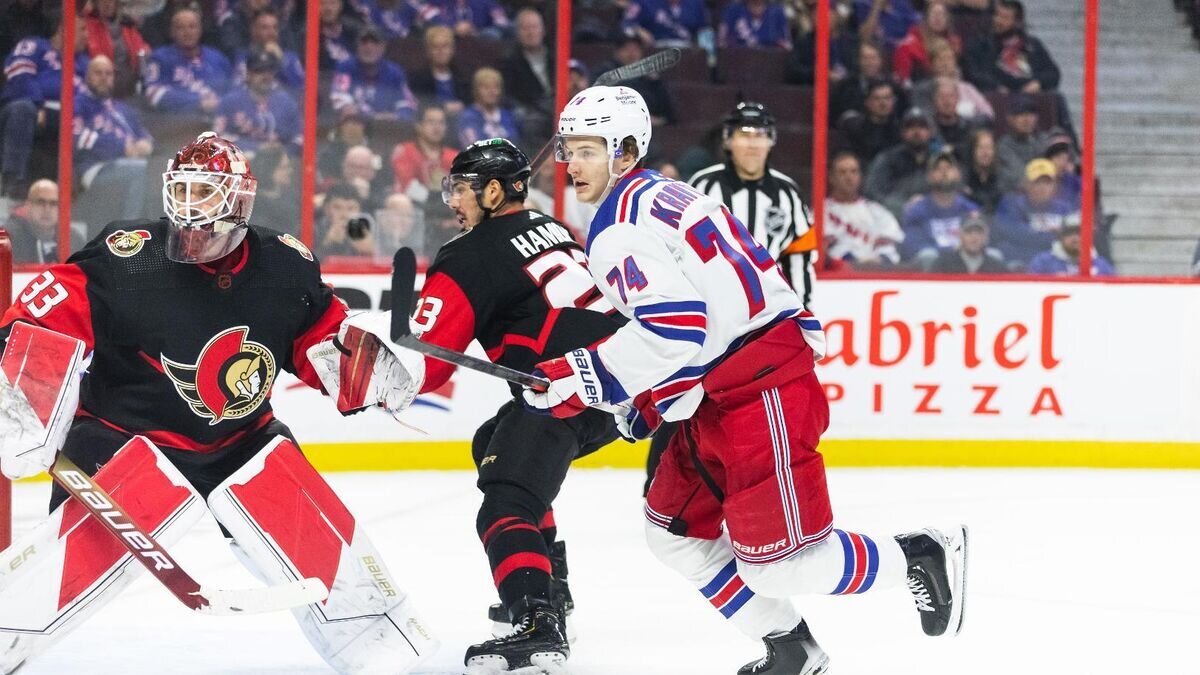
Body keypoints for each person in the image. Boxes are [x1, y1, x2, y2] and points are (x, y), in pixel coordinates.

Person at [528, 85, 968, 673]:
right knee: (676, 533)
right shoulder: (661, 194)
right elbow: (708, 314)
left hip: (763, 388)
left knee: (782, 561)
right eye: (568, 149)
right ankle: (790, 647)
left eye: (586, 150)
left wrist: (586, 375)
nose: (570, 164)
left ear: (626, 152)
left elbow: (678, 326)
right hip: (724, 386)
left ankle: (918, 555)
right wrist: (650, 398)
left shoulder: (618, 230)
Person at [0, 132, 437, 674]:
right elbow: (43, 310)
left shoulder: (284, 265)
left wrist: (367, 365)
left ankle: (382, 647)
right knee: (58, 571)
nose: (189, 209)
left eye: (204, 193)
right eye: (181, 191)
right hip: (123, 439)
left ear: (239, 200)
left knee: (319, 539)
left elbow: (321, 341)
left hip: (240, 443)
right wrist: (22, 374)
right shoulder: (129, 256)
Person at [389, 138, 624, 671]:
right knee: (491, 443)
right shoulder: (553, 227)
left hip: (567, 388)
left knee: (505, 503)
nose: (452, 199)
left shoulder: (466, 256)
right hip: (625, 382)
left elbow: (430, 366)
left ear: (495, 190)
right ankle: (553, 586)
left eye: (463, 188)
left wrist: (376, 379)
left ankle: (536, 620)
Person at [72, 55, 155, 232]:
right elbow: (77, 137)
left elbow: (145, 136)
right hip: (95, 167)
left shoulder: (122, 109)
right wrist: (121, 148)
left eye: (108, 74)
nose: (104, 77)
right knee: (140, 168)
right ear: (87, 76)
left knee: (155, 169)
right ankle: (130, 228)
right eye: (98, 73)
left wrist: (145, 144)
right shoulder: (78, 103)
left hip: (129, 164)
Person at [142, 6, 232, 115]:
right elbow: (153, 93)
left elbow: (234, 89)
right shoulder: (160, 58)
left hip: (219, 120)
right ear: (172, 32)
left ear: (200, 30)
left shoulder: (217, 58)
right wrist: (198, 102)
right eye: (181, 28)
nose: (187, 32)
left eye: (192, 27)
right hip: (180, 123)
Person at [212, 49, 303, 155]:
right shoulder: (230, 102)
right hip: (242, 162)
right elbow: (217, 138)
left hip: (280, 162)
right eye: (259, 71)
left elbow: (299, 137)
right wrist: (255, 148)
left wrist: (282, 152)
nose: (265, 76)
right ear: (248, 74)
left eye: (269, 71)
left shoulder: (287, 103)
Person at [900, 149, 981, 268]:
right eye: (938, 168)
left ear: (958, 174)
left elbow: (982, 242)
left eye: (949, 168)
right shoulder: (917, 210)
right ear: (929, 176)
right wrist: (952, 251)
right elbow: (913, 247)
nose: (944, 172)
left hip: (966, 270)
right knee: (928, 255)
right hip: (931, 274)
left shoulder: (970, 210)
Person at [824, 150, 905, 268]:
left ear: (860, 176)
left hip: (878, 273)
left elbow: (892, 247)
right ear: (831, 178)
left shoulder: (876, 211)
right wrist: (853, 262)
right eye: (842, 172)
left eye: (853, 172)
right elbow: (826, 253)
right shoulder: (821, 213)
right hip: (841, 277)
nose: (848, 177)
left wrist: (879, 259)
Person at [992, 157, 1078, 268]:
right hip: (1019, 265)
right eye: (1037, 182)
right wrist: (1054, 236)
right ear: (1026, 184)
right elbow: (1016, 235)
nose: (1042, 187)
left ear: (1055, 186)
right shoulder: (1012, 205)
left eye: (1047, 183)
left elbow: (1073, 238)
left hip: (1056, 267)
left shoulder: (1065, 209)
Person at [329, 24, 417, 122]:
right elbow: (339, 95)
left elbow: (407, 105)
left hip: (384, 130)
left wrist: (395, 116)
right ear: (357, 45)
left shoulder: (395, 72)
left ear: (383, 47)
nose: (369, 47)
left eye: (375, 42)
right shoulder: (345, 67)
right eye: (364, 42)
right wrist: (347, 106)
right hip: (354, 126)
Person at [391, 103, 458, 205]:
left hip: (447, 212)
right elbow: (408, 187)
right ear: (418, 126)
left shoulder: (454, 157)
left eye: (441, 123)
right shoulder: (405, 151)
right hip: (412, 210)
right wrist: (439, 202)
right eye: (431, 122)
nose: (437, 127)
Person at [5, 179, 84, 264]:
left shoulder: (74, 239)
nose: (47, 210)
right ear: (28, 206)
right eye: (40, 202)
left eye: (53, 204)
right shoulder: (10, 239)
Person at [407, 25, 472, 116]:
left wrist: (463, 105)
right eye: (435, 47)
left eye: (445, 46)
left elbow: (471, 104)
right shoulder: (416, 79)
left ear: (452, 50)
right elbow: (418, 106)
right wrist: (443, 107)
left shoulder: (464, 77)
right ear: (428, 51)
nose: (440, 51)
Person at [457, 67, 520, 147]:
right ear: (476, 90)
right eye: (486, 88)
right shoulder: (468, 117)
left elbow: (516, 143)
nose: (491, 91)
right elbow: (473, 147)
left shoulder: (508, 116)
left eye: (495, 87)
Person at [929, 212, 1008, 273]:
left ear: (986, 236)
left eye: (979, 232)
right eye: (968, 232)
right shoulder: (943, 264)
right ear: (960, 235)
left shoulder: (997, 267)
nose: (974, 237)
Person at [1027, 221, 1115, 276]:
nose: (1075, 238)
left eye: (1080, 234)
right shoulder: (1043, 261)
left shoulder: (1101, 264)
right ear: (1061, 238)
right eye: (1069, 234)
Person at [316, 181, 378, 258]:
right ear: (326, 209)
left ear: (359, 210)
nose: (344, 214)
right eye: (337, 207)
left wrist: (369, 252)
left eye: (351, 208)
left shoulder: (371, 230)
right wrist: (328, 243)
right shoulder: (312, 231)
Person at [719, 0, 792, 49]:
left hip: (769, 66)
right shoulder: (733, 10)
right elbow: (722, 43)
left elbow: (786, 45)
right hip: (737, 65)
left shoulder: (777, 13)